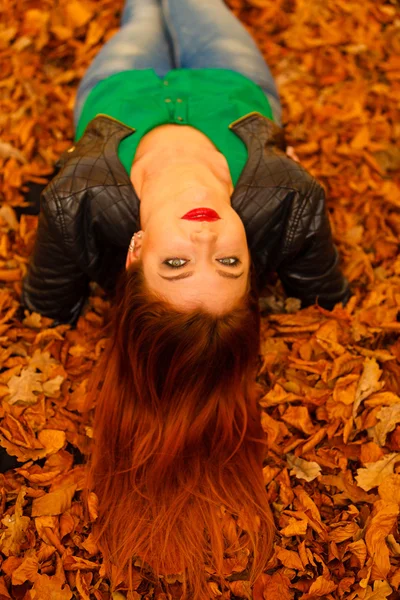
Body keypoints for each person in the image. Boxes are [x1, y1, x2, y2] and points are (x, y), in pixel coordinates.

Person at [16, 0, 351, 597]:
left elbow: (47, 302)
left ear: (136, 251)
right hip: (232, 85)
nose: (204, 237)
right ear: (252, 261)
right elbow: (324, 293)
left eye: (175, 264)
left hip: (119, 95)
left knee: (141, 13)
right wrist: (297, 187)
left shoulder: (78, 198)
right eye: (229, 263)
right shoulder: (285, 196)